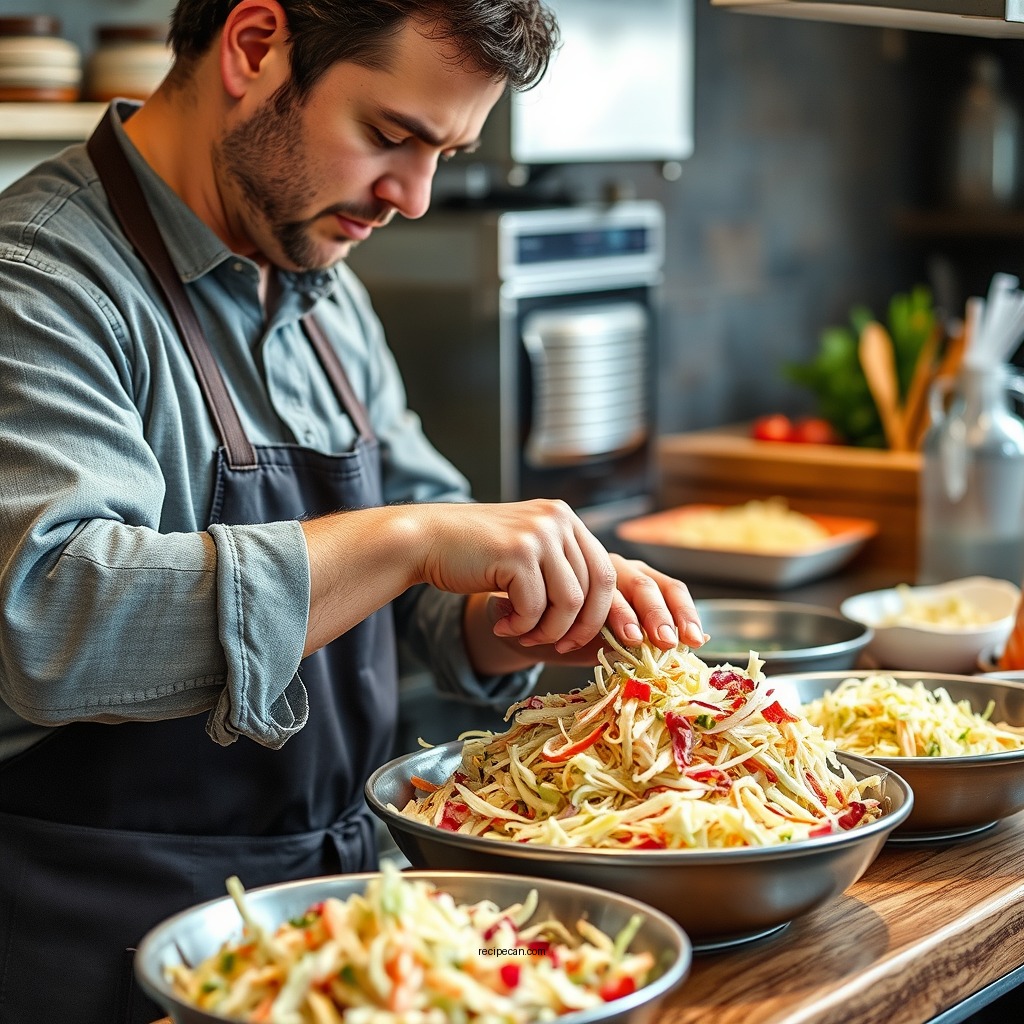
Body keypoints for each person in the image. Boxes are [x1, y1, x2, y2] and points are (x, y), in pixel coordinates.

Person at [0, 1, 705, 1020]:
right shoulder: (43, 284)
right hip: (98, 944)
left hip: (330, 939)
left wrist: (526, 610)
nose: (413, 197)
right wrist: (408, 540)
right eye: (390, 135)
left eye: (444, 152)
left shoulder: (324, 290)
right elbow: (55, 619)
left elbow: (424, 569)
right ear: (253, 48)